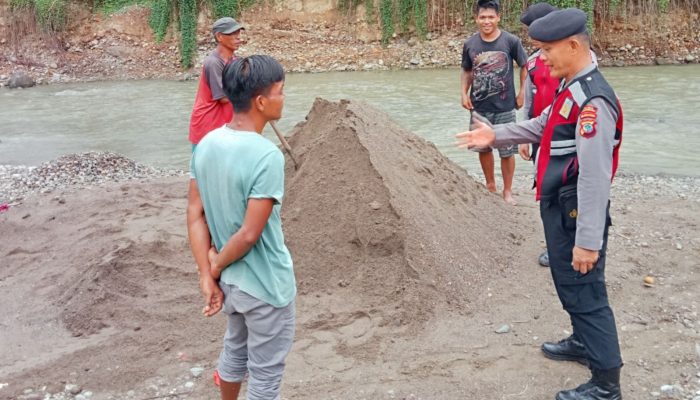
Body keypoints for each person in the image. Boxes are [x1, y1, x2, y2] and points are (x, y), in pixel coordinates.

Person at [456, 8, 624, 400]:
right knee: (569, 285)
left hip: (575, 212)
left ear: (573, 46)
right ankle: (582, 342)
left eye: (547, 50)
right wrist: (494, 135)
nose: (541, 59)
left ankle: (606, 385)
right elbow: (541, 125)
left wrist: (588, 241)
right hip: (560, 205)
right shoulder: (571, 87)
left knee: (587, 293)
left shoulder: (593, 101)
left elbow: (595, 177)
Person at [187, 55, 296, 400]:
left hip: (232, 285)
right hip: (266, 285)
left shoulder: (206, 144)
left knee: (235, 350)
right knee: (265, 375)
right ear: (261, 102)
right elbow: (249, 234)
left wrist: (207, 274)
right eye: (280, 91)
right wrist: (216, 265)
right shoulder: (267, 156)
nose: (284, 98)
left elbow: (194, 213)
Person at [460, 0, 528, 204]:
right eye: (482, 17)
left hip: (505, 106)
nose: (486, 21)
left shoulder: (511, 41)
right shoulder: (470, 44)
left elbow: (525, 66)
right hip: (479, 107)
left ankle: (507, 191)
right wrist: (463, 93)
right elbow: (467, 70)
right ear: (476, 19)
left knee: (507, 151)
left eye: (491, 17)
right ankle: (490, 185)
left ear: (498, 18)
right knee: (483, 148)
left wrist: (522, 92)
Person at [519, 2, 560, 268]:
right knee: (545, 190)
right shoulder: (533, 62)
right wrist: (524, 136)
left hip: (568, 135)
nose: (530, 35)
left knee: (569, 191)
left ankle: (575, 242)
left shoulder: (577, 56)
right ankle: (555, 245)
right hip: (540, 136)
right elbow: (528, 102)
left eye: (534, 29)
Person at [188, 17, 245, 149]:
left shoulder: (234, 60)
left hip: (224, 126)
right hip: (208, 126)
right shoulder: (214, 62)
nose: (238, 37)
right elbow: (223, 98)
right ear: (219, 37)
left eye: (238, 33)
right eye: (233, 33)